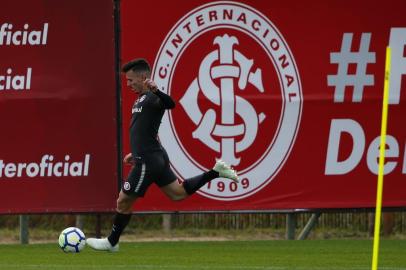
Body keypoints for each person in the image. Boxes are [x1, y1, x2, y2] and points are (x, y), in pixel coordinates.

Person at [87, 58, 238, 252]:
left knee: (122, 201)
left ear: (143, 77)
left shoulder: (152, 97)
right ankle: (215, 172)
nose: (128, 84)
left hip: (148, 162)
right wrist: (135, 153)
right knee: (178, 194)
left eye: (131, 80)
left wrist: (156, 90)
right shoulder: (141, 99)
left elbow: (171, 103)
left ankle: (111, 242)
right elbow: (144, 131)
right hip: (154, 156)